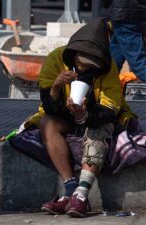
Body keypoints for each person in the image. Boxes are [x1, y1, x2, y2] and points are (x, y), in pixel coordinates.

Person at [11, 18, 137, 218]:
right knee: (46, 123)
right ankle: (70, 189)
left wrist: (85, 114)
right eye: (81, 63)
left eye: (90, 65)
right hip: (64, 116)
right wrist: (56, 87)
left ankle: (81, 194)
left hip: (97, 117)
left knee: (100, 128)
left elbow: (110, 109)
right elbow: (49, 108)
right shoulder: (55, 59)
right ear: (73, 55)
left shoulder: (108, 67)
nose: (85, 67)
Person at [103, 0, 146, 82]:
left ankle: (104, 85)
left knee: (138, 63)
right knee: (113, 60)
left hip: (123, 14)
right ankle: (105, 87)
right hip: (137, 12)